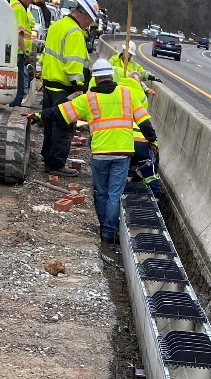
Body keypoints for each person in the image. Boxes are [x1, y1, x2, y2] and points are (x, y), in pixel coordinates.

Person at [33, 58, 157, 251]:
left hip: (100, 154)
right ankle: (109, 233)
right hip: (123, 153)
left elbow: (60, 112)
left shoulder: (88, 99)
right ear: (110, 76)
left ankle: (103, 230)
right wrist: (153, 140)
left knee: (101, 193)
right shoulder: (127, 94)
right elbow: (144, 122)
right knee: (114, 194)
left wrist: (39, 116)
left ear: (96, 79)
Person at [39, 0, 99, 177]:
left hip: (49, 85)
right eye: (90, 21)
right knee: (64, 127)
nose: (89, 25)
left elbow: (44, 56)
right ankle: (56, 164)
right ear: (84, 15)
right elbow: (73, 65)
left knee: (50, 124)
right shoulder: (74, 33)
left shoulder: (57, 26)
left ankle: (48, 159)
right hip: (64, 89)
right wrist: (79, 88)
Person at [88, 66, 162, 198]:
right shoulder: (141, 96)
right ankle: (156, 197)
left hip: (124, 141)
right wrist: (153, 142)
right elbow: (144, 120)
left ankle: (124, 192)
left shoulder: (118, 91)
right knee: (151, 174)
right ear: (139, 83)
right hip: (141, 140)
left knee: (124, 171)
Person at [9, 0, 31, 107]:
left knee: (18, 85)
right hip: (18, 53)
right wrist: (26, 52)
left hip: (16, 52)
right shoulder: (19, 8)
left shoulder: (15, 5)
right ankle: (14, 110)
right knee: (19, 88)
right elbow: (19, 35)